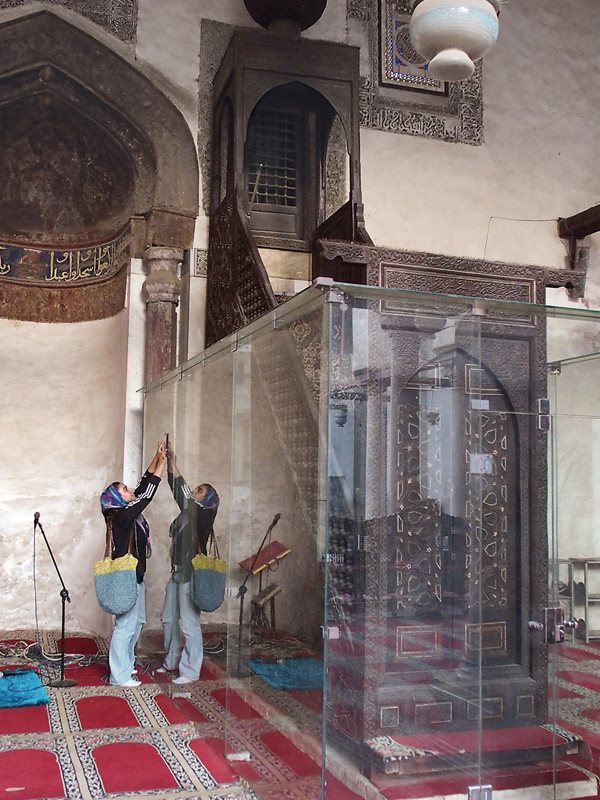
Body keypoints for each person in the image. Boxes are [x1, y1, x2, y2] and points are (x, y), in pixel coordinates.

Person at [99, 440, 167, 687]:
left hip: (135, 575)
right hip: (126, 577)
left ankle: (125, 667)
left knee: (136, 623)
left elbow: (142, 486)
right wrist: (162, 466)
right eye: (125, 489)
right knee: (125, 626)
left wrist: (157, 457)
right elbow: (147, 494)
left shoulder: (126, 511)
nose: (131, 491)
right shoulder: (122, 515)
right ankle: (119, 676)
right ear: (118, 497)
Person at [159, 448, 219, 685]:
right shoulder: (187, 514)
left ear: (208, 499)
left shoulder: (204, 514)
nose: (195, 492)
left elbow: (182, 494)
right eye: (196, 489)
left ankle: (191, 670)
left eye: (200, 491)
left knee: (189, 623)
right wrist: (171, 462)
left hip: (191, 574)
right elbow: (180, 492)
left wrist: (174, 464)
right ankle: (172, 661)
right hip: (177, 572)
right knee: (168, 618)